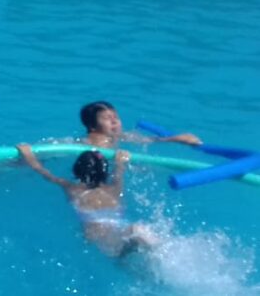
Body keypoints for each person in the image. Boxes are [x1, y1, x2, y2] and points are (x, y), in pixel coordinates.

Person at [16, 143, 158, 257]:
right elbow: (118, 172)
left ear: (77, 170)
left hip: (103, 244)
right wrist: (120, 162)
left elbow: (44, 172)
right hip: (120, 231)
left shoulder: (73, 189)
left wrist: (29, 156)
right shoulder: (114, 189)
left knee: (128, 243)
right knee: (137, 230)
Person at [79, 101, 201, 149]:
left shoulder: (119, 136)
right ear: (92, 127)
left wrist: (177, 139)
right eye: (107, 118)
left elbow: (146, 140)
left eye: (116, 117)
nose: (114, 121)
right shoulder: (95, 141)